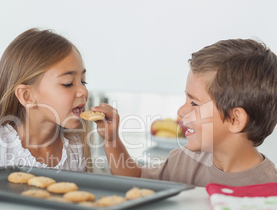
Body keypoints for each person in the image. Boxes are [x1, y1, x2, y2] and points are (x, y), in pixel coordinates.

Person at [92, 39, 277, 187]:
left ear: (235, 120)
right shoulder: (186, 159)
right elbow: (136, 180)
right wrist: (111, 140)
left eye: (194, 103)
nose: (181, 111)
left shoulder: (269, 189)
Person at [0, 28, 91, 171]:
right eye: (67, 83)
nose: (83, 91)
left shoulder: (74, 145)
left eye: (83, 81)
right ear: (27, 96)